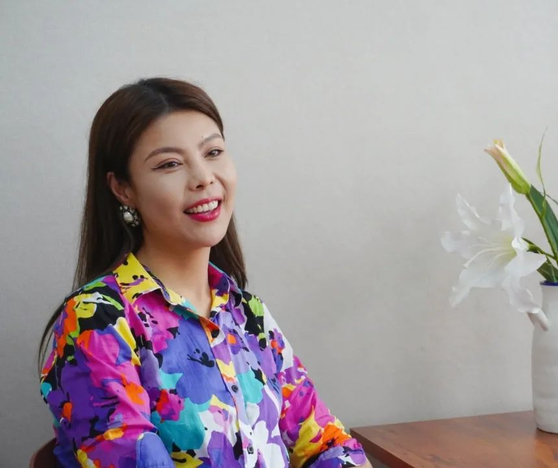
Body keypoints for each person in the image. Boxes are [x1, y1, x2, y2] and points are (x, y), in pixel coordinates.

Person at [37, 77, 372, 468]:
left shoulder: (249, 316)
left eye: (213, 152)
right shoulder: (97, 320)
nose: (203, 178)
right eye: (170, 164)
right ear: (123, 189)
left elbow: (327, 444)